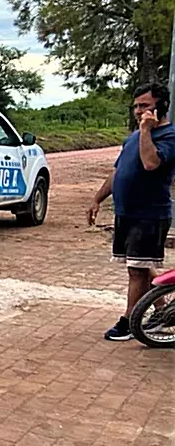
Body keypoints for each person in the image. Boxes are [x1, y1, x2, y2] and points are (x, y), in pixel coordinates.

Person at [87, 82, 175, 340]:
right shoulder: (134, 137)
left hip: (150, 214)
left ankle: (127, 323)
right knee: (139, 265)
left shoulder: (169, 136)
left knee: (137, 270)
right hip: (126, 212)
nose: (138, 111)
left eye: (144, 105)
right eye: (136, 106)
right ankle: (163, 311)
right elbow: (118, 171)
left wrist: (146, 130)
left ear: (162, 105)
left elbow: (150, 163)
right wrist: (97, 199)